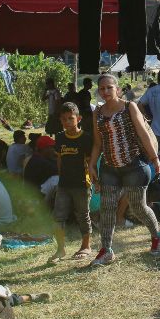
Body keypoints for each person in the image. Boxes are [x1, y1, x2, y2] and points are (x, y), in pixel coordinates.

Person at [87, 74, 160, 266]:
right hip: (109, 168)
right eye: (102, 88)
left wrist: (155, 158)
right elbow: (98, 143)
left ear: (117, 89)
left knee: (138, 207)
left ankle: (157, 235)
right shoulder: (97, 113)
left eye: (109, 88)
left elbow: (142, 133)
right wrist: (91, 164)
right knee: (107, 208)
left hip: (134, 166)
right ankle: (106, 250)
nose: (105, 92)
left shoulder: (129, 107)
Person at [50, 102, 93, 263]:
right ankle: (60, 249)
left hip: (82, 184)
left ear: (78, 118)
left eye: (71, 118)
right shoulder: (60, 137)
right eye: (64, 119)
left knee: (83, 215)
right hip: (64, 184)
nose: (67, 122)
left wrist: (93, 181)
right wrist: (61, 178)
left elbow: (90, 162)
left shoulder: (86, 138)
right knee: (58, 217)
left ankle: (86, 246)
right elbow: (60, 159)